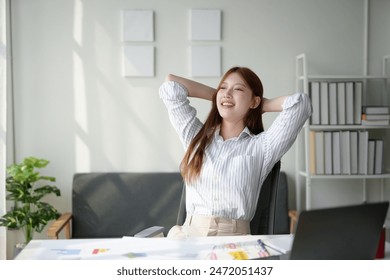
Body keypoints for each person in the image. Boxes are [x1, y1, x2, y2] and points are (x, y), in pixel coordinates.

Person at [159, 66, 312, 238]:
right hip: (189, 237)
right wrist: (218, 96)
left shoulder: (262, 147)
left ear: (254, 102)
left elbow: (301, 103)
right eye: (223, 87)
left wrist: (263, 104)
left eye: (238, 89)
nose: (227, 93)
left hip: (235, 241)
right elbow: (171, 85)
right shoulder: (194, 137)